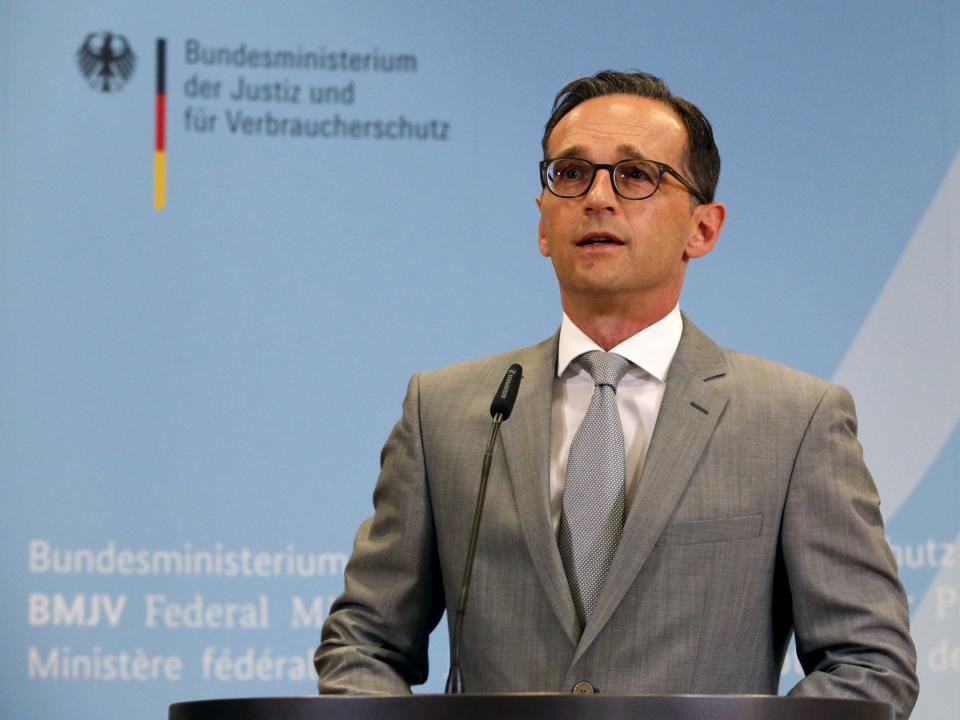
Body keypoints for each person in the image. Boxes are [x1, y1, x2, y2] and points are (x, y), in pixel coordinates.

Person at [314, 70, 918, 718]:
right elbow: (363, 644)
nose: (597, 198)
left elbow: (869, 665)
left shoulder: (795, 422)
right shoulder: (446, 412)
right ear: (543, 225)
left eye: (635, 177)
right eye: (571, 175)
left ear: (703, 229)